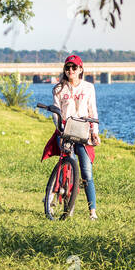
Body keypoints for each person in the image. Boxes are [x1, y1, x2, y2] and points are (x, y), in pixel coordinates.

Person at [44, 54, 101, 219]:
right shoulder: (58, 89)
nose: (71, 71)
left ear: (80, 69)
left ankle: (93, 212)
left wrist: (94, 132)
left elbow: (92, 111)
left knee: (86, 172)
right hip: (65, 130)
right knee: (68, 164)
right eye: (68, 67)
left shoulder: (89, 88)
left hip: (83, 132)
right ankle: (60, 200)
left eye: (74, 67)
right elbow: (56, 111)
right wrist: (60, 130)